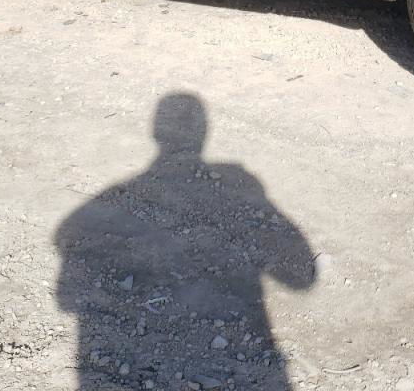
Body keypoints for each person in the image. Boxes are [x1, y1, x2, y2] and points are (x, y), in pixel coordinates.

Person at [55, 93, 315, 390]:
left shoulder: (107, 200)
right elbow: (302, 278)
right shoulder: (238, 180)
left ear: (155, 132)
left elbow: (65, 296)